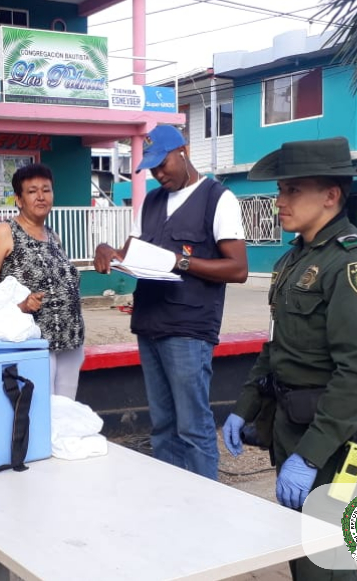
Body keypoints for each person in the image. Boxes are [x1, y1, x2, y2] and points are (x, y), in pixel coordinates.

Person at [221, 137, 357, 581]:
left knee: (326, 556)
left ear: (331, 196)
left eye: (292, 190)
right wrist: (244, 408)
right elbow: (277, 347)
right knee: (301, 547)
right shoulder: (295, 259)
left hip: (333, 438)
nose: (280, 202)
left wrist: (312, 455)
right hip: (291, 423)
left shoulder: (355, 267)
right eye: (281, 190)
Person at [94, 125, 247, 480]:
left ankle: (205, 503)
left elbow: (238, 268)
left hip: (189, 329)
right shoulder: (151, 201)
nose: (158, 174)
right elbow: (131, 251)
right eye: (152, 169)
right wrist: (108, 251)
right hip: (149, 323)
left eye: (163, 165)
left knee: (192, 426)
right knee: (162, 424)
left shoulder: (217, 198)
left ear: (184, 150)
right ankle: (172, 502)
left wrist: (181, 261)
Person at [0, 163, 86, 399]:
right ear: (19, 200)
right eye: (32, 191)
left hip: (69, 340)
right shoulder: (5, 232)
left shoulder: (53, 236)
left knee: (65, 412)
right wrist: (19, 305)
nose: (41, 197)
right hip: (33, 342)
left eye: (47, 190)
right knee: (41, 412)